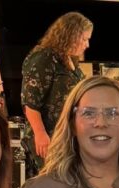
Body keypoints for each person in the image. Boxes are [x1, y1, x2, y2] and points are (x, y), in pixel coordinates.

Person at [21, 12, 93, 175]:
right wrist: (40, 134)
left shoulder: (70, 61)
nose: (87, 44)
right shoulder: (44, 57)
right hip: (48, 138)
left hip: (65, 138)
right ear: (71, 35)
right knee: (53, 186)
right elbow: (30, 101)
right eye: (84, 38)